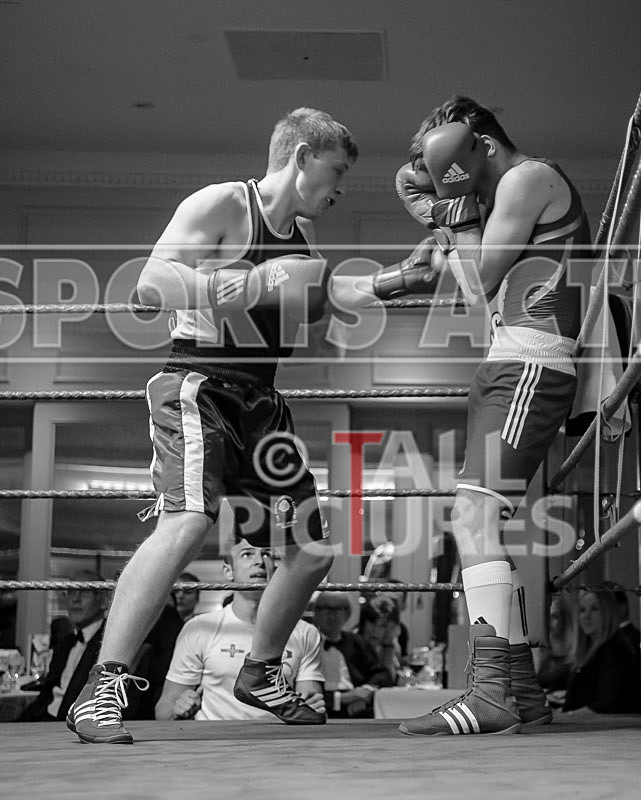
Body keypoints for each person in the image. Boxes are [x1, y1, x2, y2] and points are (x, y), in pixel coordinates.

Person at [65, 106, 457, 744]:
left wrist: (405, 280)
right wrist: (247, 284)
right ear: (301, 156)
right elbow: (148, 286)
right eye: (334, 173)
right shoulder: (224, 203)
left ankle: (261, 671)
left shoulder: (301, 246)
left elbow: (333, 293)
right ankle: (101, 686)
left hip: (260, 403)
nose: (338, 190)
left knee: (312, 550)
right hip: (198, 384)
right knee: (189, 521)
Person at [393, 96, 594, 735]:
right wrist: (448, 218)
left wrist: (447, 215)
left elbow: (477, 281)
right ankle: (523, 692)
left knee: (472, 516)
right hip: (505, 363)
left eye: (443, 157)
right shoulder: (495, 193)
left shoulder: (528, 177)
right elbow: (473, 287)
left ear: (475, 140)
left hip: (531, 365)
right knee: (480, 520)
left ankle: (490, 694)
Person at [155, 537, 324, 721]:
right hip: (214, 744)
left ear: (276, 569)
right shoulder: (200, 628)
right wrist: (178, 710)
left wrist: (314, 707)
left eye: (266, 554)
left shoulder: (305, 632)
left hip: (279, 744)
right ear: (228, 571)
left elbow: (311, 704)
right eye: (247, 554)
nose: (259, 561)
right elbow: (164, 709)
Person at [17, 571, 116, 722]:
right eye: (71, 592)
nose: (75, 599)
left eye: (84, 592)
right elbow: (46, 696)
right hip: (41, 720)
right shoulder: (65, 644)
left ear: (103, 600)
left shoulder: (109, 645)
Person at [312, 590, 393, 718]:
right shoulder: (306, 644)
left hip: (357, 709)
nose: (332, 615)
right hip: (320, 708)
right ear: (315, 612)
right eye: (326, 608)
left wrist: (365, 693)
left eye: (337, 609)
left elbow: (382, 674)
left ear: (347, 614)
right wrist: (340, 698)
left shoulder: (357, 642)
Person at [561, 587, 641, 714]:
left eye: (594, 609)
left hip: (605, 730)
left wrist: (567, 716)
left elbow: (606, 704)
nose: (587, 616)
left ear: (607, 612)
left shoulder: (614, 650)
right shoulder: (590, 649)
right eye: (582, 610)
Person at [355, 596, 403, 687]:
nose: (375, 630)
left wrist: (388, 645)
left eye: (382, 625)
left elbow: (389, 680)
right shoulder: (351, 644)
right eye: (372, 623)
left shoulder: (390, 646)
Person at [537, 593, 576, 696]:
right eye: (547, 616)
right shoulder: (540, 651)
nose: (550, 622)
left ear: (564, 618)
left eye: (555, 616)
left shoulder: (576, 652)